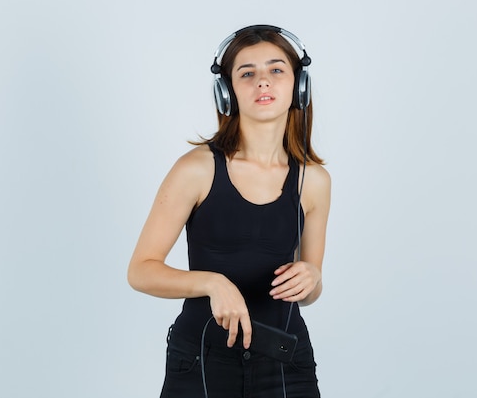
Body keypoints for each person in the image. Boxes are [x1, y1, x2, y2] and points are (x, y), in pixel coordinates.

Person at [127, 25, 331, 398]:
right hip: (203, 361)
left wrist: (311, 275)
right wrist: (211, 283)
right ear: (228, 92)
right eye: (247, 73)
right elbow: (140, 270)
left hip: (287, 362)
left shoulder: (314, 180)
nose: (263, 83)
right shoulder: (196, 169)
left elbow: (310, 293)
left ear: (299, 86)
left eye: (276, 70)